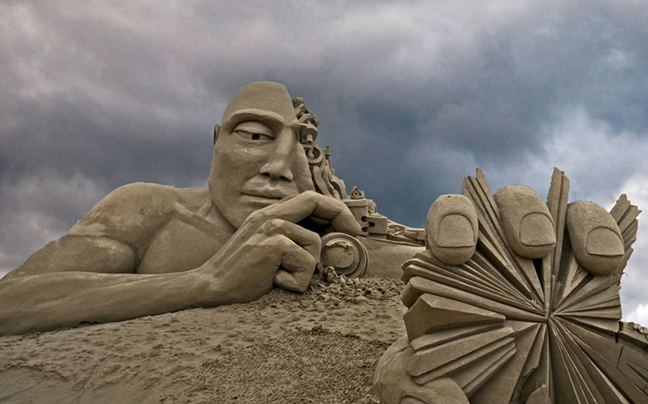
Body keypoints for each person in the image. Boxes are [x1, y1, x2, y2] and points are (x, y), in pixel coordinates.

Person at [0, 81, 624, 335]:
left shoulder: (334, 237)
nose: (278, 163)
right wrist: (204, 283)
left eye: (301, 146)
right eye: (253, 134)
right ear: (214, 141)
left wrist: (542, 275)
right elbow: (12, 302)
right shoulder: (150, 209)